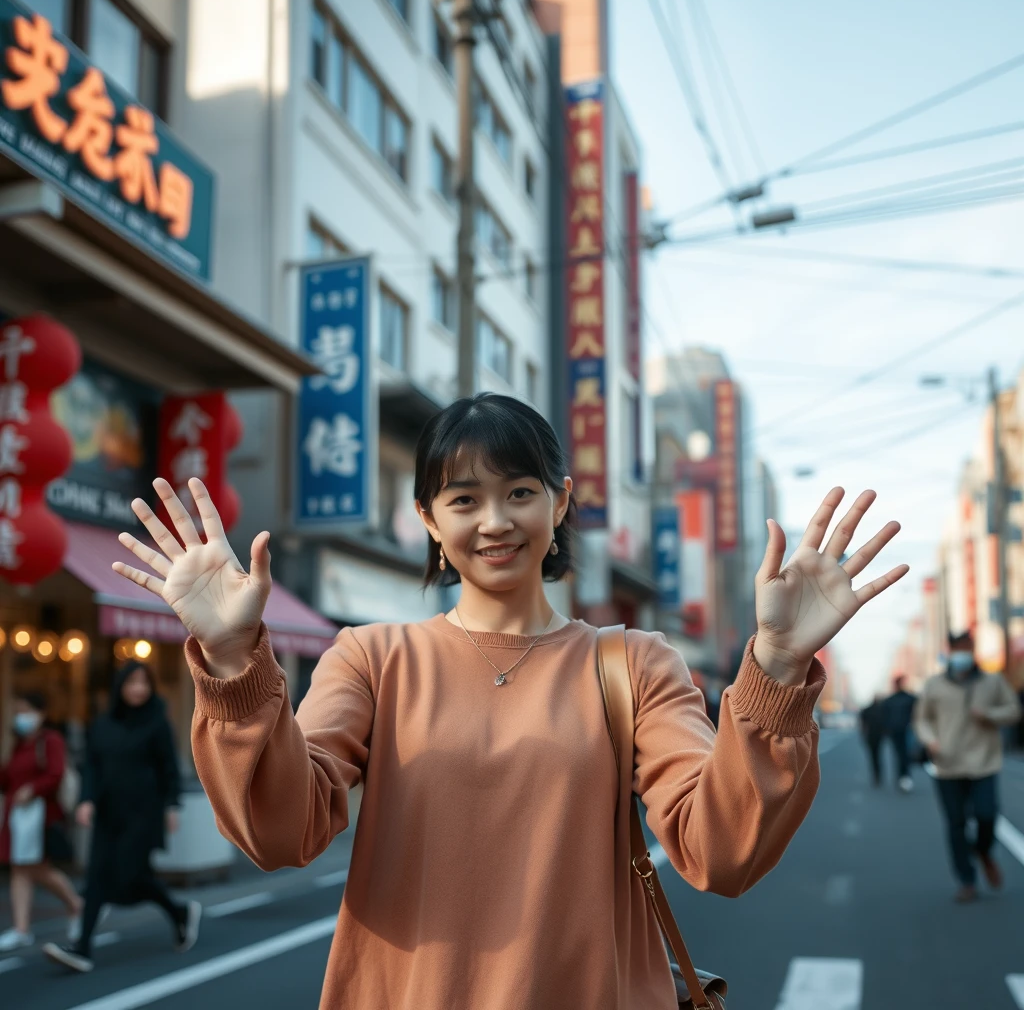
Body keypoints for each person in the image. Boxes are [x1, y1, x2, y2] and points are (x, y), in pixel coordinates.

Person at [110, 394, 908, 1008]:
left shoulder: (632, 662)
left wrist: (773, 665)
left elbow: (722, 852)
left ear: (559, 502)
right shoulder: (372, 657)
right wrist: (229, 658)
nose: (494, 521)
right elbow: (282, 831)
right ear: (427, 518)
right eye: (462, 500)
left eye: (519, 492)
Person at [42, 662, 201, 972]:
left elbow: (169, 768)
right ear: (120, 687)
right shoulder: (102, 725)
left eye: (144, 682)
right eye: (132, 682)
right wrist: (87, 800)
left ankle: (179, 911)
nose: (138, 688)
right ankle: (83, 949)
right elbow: (92, 766)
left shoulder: (157, 723)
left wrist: (172, 806)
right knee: (98, 876)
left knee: (132, 877)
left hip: (144, 813)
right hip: (108, 813)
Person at [913, 631, 1022, 903]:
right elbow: (921, 720)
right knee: (956, 824)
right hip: (947, 765)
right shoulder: (935, 684)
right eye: (958, 648)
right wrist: (930, 740)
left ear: (973, 650)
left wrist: (989, 715)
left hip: (984, 762)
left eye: (967, 648)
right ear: (950, 650)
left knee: (987, 815)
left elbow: (1014, 710)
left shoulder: (992, 682)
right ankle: (967, 880)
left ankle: (983, 851)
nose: (962, 654)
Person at [0, 693, 82, 952]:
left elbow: (55, 774)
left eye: (25, 710)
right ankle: (22, 928)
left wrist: (33, 789)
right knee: (19, 869)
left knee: (38, 868)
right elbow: (7, 779)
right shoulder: (18, 744)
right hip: (17, 817)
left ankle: (75, 905)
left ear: (40, 713)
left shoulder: (50, 740)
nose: (20, 716)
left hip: (42, 816)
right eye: (17, 711)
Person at [884, 674, 917, 792]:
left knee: (905, 754)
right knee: (899, 754)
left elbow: (918, 714)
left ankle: (905, 777)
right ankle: (902, 777)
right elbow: (884, 717)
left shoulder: (911, 698)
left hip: (908, 730)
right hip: (895, 732)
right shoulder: (889, 701)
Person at [859, 695, 887, 787]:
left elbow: (863, 725)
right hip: (877, 736)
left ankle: (876, 775)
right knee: (877, 755)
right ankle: (878, 775)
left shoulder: (868, 710)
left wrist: (863, 734)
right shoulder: (881, 710)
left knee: (873, 756)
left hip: (872, 736)